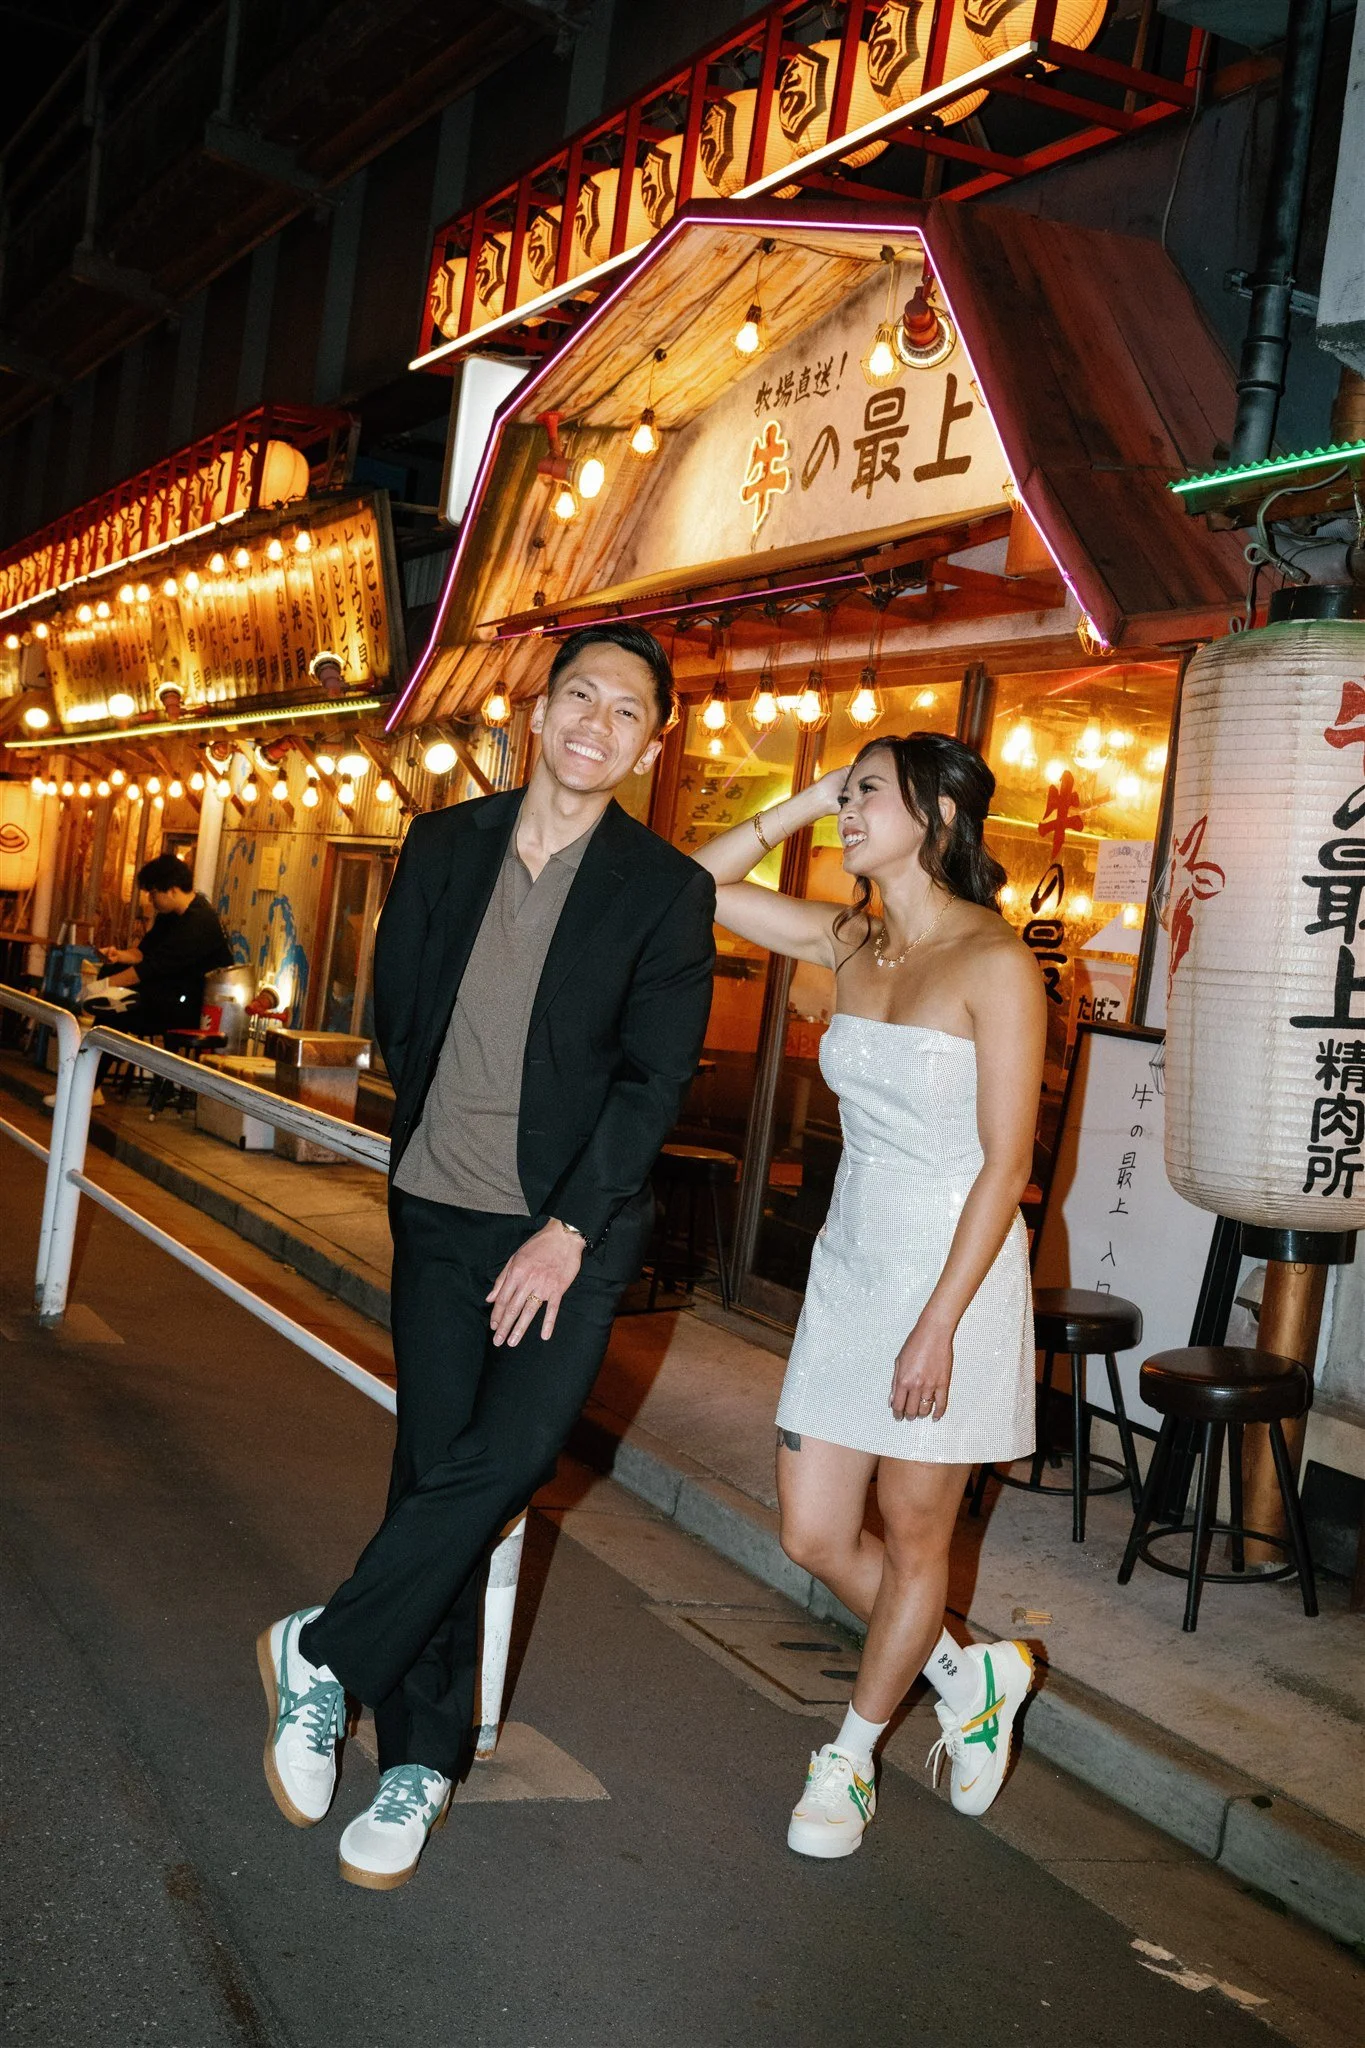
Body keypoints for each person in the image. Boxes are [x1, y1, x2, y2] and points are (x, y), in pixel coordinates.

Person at [257, 624, 716, 1890]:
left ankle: (328, 1651)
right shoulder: (444, 843)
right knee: (435, 1464)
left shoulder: (666, 891)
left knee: (506, 1459)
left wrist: (564, 1226)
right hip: (438, 1211)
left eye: (629, 710)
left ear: (651, 741)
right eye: (582, 695)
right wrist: (449, 1159)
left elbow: (652, 1081)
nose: (598, 722)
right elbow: (402, 1006)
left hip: (572, 1236)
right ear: (539, 709)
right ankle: (419, 1760)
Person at [691, 730, 1046, 1860]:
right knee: (811, 1529)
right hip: (853, 1265)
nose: (848, 812)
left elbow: (1008, 1160)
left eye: (867, 795)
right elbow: (687, 883)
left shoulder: (996, 960)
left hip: (961, 1271)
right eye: (843, 796)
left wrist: (940, 1320)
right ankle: (969, 1671)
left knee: (911, 1527)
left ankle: (847, 1757)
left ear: (938, 816)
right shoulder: (850, 938)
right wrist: (806, 797)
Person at [46, 853, 232, 1107]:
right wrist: (119, 956)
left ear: (173, 890)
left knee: (114, 1010)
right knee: (111, 984)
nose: (150, 900)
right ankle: (89, 1086)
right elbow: (145, 952)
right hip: (169, 992)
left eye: (153, 893)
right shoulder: (172, 915)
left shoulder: (199, 923)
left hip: (191, 1006)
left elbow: (150, 969)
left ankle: (87, 1088)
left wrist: (104, 987)